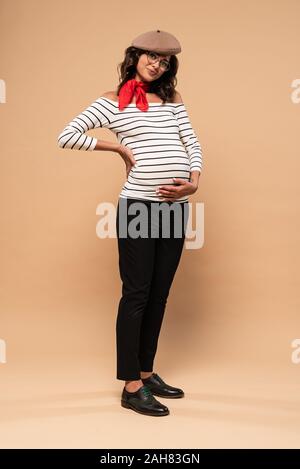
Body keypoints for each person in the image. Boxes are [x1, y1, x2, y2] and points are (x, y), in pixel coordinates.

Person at [57, 29, 203, 417]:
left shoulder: (173, 99)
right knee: (137, 293)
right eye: (151, 57)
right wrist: (117, 145)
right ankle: (130, 385)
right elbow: (67, 135)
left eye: (165, 60)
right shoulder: (112, 101)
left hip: (174, 207)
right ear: (134, 57)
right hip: (138, 206)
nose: (158, 64)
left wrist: (193, 182)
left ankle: (146, 370)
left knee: (160, 293)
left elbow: (192, 142)